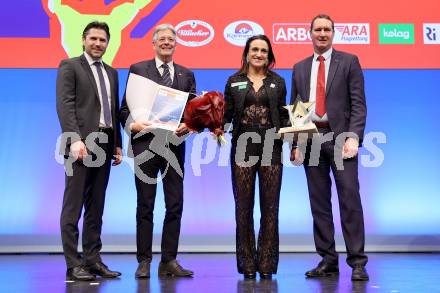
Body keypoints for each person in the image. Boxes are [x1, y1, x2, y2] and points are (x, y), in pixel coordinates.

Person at [290, 14, 369, 281]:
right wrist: (297, 144)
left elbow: (358, 104)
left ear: (333, 33)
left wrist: (354, 137)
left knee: (349, 200)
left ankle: (358, 262)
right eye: (318, 29)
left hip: (341, 140)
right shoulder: (299, 67)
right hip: (312, 140)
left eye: (327, 29)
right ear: (309, 33)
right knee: (319, 204)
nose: (322, 33)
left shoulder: (349, 61)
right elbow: (297, 111)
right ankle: (328, 260)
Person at [119, 24, 196, 278]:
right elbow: (123, 109)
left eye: (170, 39)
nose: (166, 42)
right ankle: (144, 261)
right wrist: (133, 124)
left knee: (175, 204)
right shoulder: (139, 70)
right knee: (145, 204)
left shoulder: (187, 74)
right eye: (161, 39)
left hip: (174, 146)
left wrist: (190, 125)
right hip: (145, 144)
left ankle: (169, 261)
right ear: (153, 43)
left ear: (176, 44)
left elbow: (193, 112)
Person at [56, 21, 122, 281]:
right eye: (93, 38)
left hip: (105, 143)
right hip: (80, 144)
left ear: (107, 43)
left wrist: (117, 143)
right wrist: (74, 139)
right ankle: (74, 265)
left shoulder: (112, 72)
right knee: (73, 206)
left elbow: (112, 110)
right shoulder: (70, 66)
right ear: (83, 40)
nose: (97, 43)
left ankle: (93, 260)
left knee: (96, 206)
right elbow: (65, 105)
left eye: (102, 40)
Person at [224, 35, 289, 280]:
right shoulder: (234, 81)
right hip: (242, 146)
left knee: (270, 208)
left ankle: (267, 263)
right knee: (243, 208)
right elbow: (227, 114)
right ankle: (247, 264)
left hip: (272, 146)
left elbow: (284, 118)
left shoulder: (278, 82)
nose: (259, 54)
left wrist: (296, 135)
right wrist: (213, 124)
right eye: (255, 49)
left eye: (263, 50)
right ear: (247, 53)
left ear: (269, 55)